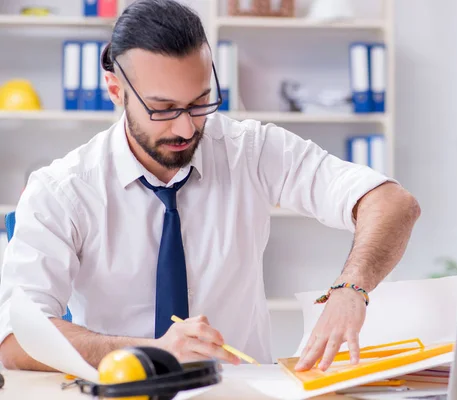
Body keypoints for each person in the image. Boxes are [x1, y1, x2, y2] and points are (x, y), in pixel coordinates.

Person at [0, 0, 420, 373]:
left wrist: (351, 288)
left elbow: (392, 201)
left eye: (201, 102)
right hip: (123, 389)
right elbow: (15, 339)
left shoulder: (249, 150)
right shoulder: (63, 189)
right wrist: (154, 351)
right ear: (116, 91)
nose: (186, 127)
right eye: (163, 109)